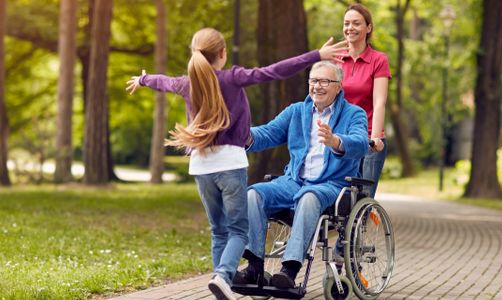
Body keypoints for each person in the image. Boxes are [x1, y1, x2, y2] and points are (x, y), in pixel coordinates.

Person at [125, 28, 348, 300]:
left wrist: (144, 79)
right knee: (239, 231)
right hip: (229, 164)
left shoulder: (187, 83)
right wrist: (316, 55)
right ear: (222, 53)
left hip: (200, 166)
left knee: (219, 230)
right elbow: (273, 71)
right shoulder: (232, 78)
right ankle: (223, 276)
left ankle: (221, 282)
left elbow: (165, 82)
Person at [235, 61, 368, 289]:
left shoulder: (354, 114)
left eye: (324, 81)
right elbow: (268, 132)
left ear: (338, 86)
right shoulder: (297, 111)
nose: (317, 86)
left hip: (331, 185)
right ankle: (254, 267)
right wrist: (240, 135)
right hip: (294, 181)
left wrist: (336, 141)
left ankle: (289, 270)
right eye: (314, 81)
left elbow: (361, 143)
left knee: (308, 197)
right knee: (253, 195)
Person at [341, 3, 391, 198]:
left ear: (368, 28)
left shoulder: (378, 60)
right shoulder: (336, 58)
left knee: (363, 197)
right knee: (338, 197)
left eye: (356, 23)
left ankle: (360, 228)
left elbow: (379, 101)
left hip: (370, 137)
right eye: (346, 23)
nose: (350, 28)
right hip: (341, 138)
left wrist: (376, 137)